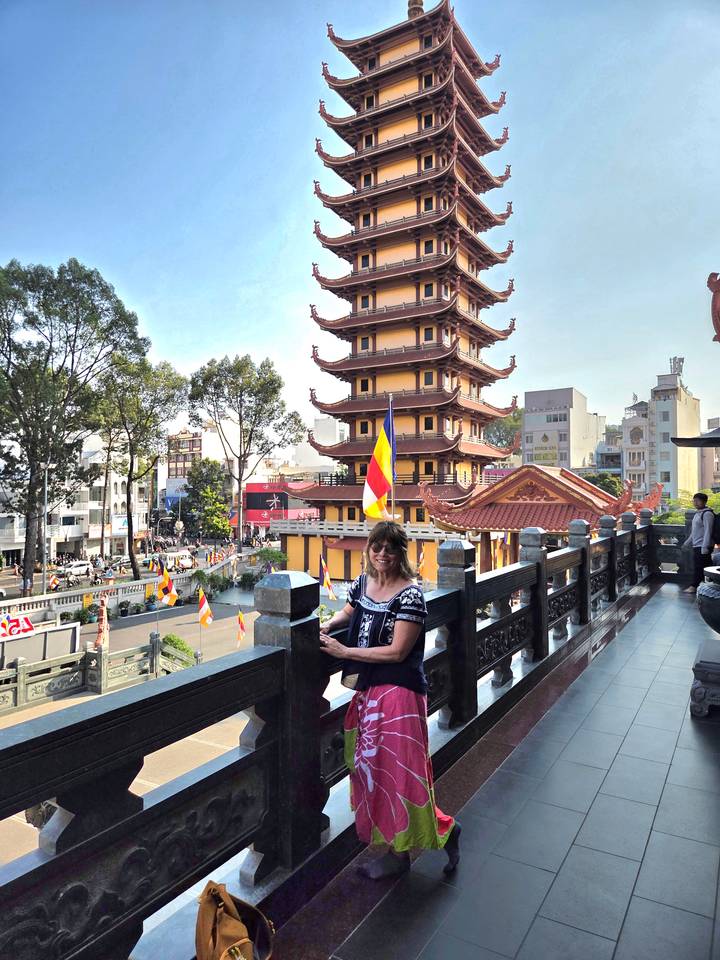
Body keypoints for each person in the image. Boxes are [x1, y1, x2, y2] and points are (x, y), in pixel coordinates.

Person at [319, 521, 460, 879]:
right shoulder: (364, 583)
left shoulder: (410, 596)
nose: (382, 553)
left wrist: (343, 648)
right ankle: (442, 830)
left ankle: (400, 855)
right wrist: (326, 625)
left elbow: (397, 652)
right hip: (369, 693)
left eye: (390, 548)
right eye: (376, 546)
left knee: (399, 776)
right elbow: (349, 612)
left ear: (401, 553)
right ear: (369, 549)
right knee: (372, 770)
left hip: (399, 696)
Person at [683, 492, 715, 594]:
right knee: (707, 566)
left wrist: (704, 547)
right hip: (697, 545)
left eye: (698, 501)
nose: (695, 503)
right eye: (694, 500)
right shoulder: (698, 513)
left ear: (704, 502)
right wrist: (687, 543)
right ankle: (713, 584)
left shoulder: (707, 514)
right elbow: (694, 532)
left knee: (699, 567)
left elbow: (708, 531)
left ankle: (694, 586)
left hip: (703, 546)